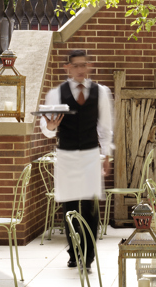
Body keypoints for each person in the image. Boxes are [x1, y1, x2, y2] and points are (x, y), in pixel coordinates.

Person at [40, 50, 113, 272]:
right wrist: (51, 128)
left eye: (84, 65)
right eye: (76, 66)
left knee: (90, 206)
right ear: (68, 68)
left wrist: (107, 155)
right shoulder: (56, 94)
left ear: (89, 66)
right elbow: (47, 128)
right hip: (66, 155)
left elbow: (105, 127)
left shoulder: (101, 92)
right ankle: (73, 253)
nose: (80, 70)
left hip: (91, 155)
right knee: (70, 205)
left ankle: (88, 256)